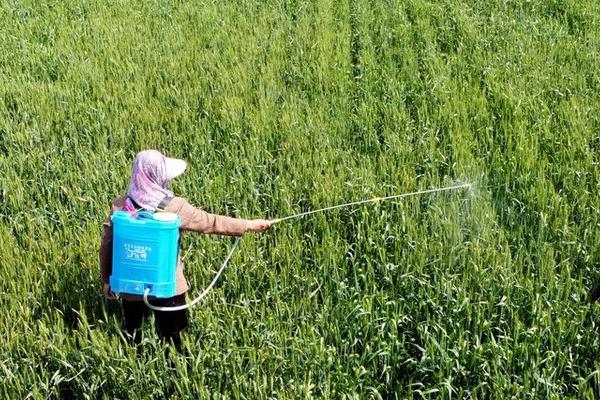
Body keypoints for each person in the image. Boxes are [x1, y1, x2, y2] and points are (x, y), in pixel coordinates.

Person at [99, 150, 271, 353]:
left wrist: (107, 280)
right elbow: (210, 222)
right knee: (175, 341)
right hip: (168, 288)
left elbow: (106, 245)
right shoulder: (174, 207)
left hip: (131, 288)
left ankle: (135, 368)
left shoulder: (120, 207)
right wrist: (247, 225)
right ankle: (176, 376)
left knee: (132, 335)